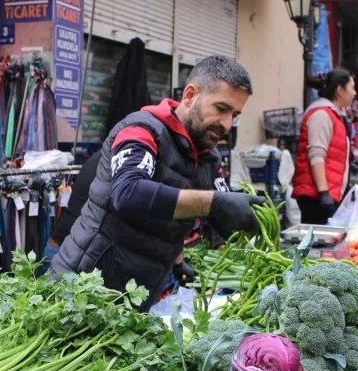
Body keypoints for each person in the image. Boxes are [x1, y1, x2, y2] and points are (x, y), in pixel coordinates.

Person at [51, 55, 261, 311]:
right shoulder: (141, 131)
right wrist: (215, 204)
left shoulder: (208, 157)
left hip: (140, 293)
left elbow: (204, 214)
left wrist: (251, 218)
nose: (227, 124)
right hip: (83, 288)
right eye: (221, 109)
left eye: (235, 115)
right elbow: (129, 193)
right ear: (190, 95)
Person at [40, 149, 195, 283]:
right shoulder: (131, 167)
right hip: (71, 258)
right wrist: (178, 261)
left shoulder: (111, 157)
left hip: (60, 249)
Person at [292, 69, 357, 225]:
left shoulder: (335, 115)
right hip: (316, 198)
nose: (355, 93)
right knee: (315, 245)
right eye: (352, 88)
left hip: (326, 195)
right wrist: (323, 193)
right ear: (340, 90)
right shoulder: (321, 115)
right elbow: (316, 155)